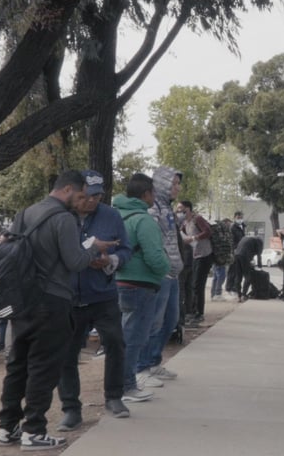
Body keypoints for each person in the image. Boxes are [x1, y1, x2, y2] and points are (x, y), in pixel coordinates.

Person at [0, 170, 116, 451]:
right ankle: (34, 430)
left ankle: (7, 426)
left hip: (22, 299)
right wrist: (92, 249)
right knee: (44, 366)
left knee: (18, 364)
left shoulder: (25, 213)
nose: (82, 200)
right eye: (81, 194)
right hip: (52, 300)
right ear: (68, 190)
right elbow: (74, 261)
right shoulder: (63, 219)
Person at [56, 170, 134, 430]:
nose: (93, 201)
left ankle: (114, 397)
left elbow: (125, 249)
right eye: (88, 196)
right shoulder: (62, 215)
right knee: (67, 353)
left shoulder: (111, 216)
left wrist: (111, 261)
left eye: (98, 195)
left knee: (115, 343)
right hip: (68, 296)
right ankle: (71, 409)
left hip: (103, 294)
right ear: (77, 193)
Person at [113, 173, 169, 405]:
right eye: (153, 193)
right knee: (134, 337)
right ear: (146, 195)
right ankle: (127, 386)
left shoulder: (116, 215)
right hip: (141, 285)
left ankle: (121, 383)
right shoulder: (144, 221)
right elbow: (155, 256)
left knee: (125, 335)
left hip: (120, 282)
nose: (154, 198)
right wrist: (166, 269)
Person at [136, 166, 184, 389]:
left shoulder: (167, 208)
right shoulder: (153, 210)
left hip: (172, 273)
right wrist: (163, 267)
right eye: (173, 184)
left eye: (177, 184)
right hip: (161, 274)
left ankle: (154, 361)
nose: (177, 188)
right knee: (154, 322)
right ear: (162, 185)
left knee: (170, 320)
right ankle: (141, 367)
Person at [177, 200, 213, 324]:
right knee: (193, 284)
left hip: (204, 255)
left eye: (181, 208)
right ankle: (192, 312)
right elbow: (179, 232)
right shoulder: (185, 222)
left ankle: (199, 313)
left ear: (188, 209)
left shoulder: (197, 219)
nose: (179, 211)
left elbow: (208, 231)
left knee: (198, 284)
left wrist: (194, 238)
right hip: (195, 255)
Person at [233, 234, 263, 301]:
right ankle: (244, 295)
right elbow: (259, 254)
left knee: (238, 276)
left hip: (237, 255)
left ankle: (239, 295)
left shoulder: (246, 238)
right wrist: (259, 266)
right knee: (248, 276)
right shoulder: (259, 241)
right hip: (245, 256)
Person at [209, 218, 233, 301]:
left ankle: (214, 294)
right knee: (221, 275)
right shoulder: (221, 232)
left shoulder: (217, 230)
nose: (229, 226)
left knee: (216, 276)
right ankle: (217, 293)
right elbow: (224, 245)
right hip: (220, 257)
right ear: (225, 223)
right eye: (229, 224)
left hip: (216, 256)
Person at [225, 211, 245, 297]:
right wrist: (234, 249)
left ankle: (235, 288)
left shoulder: (242, 226)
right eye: (238, 217)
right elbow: (231, 240)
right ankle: (229, 288)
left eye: (241, 217)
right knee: (232, 271)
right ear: (234, 218)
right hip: (235, 251)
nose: (240, 219)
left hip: (241, 251)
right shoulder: (233, 227)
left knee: (238, 271)